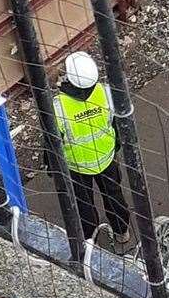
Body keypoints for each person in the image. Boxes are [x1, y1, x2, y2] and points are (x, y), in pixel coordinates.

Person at [54, 51, 131, 245]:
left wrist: (52, 166)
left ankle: (90, 242)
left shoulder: (59, 107)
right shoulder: (105, 93)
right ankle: (122, 233)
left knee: (84, 204)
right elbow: (117, 123)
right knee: (114, 196)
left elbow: (52, 141)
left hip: (77, 166)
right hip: (106, 158)